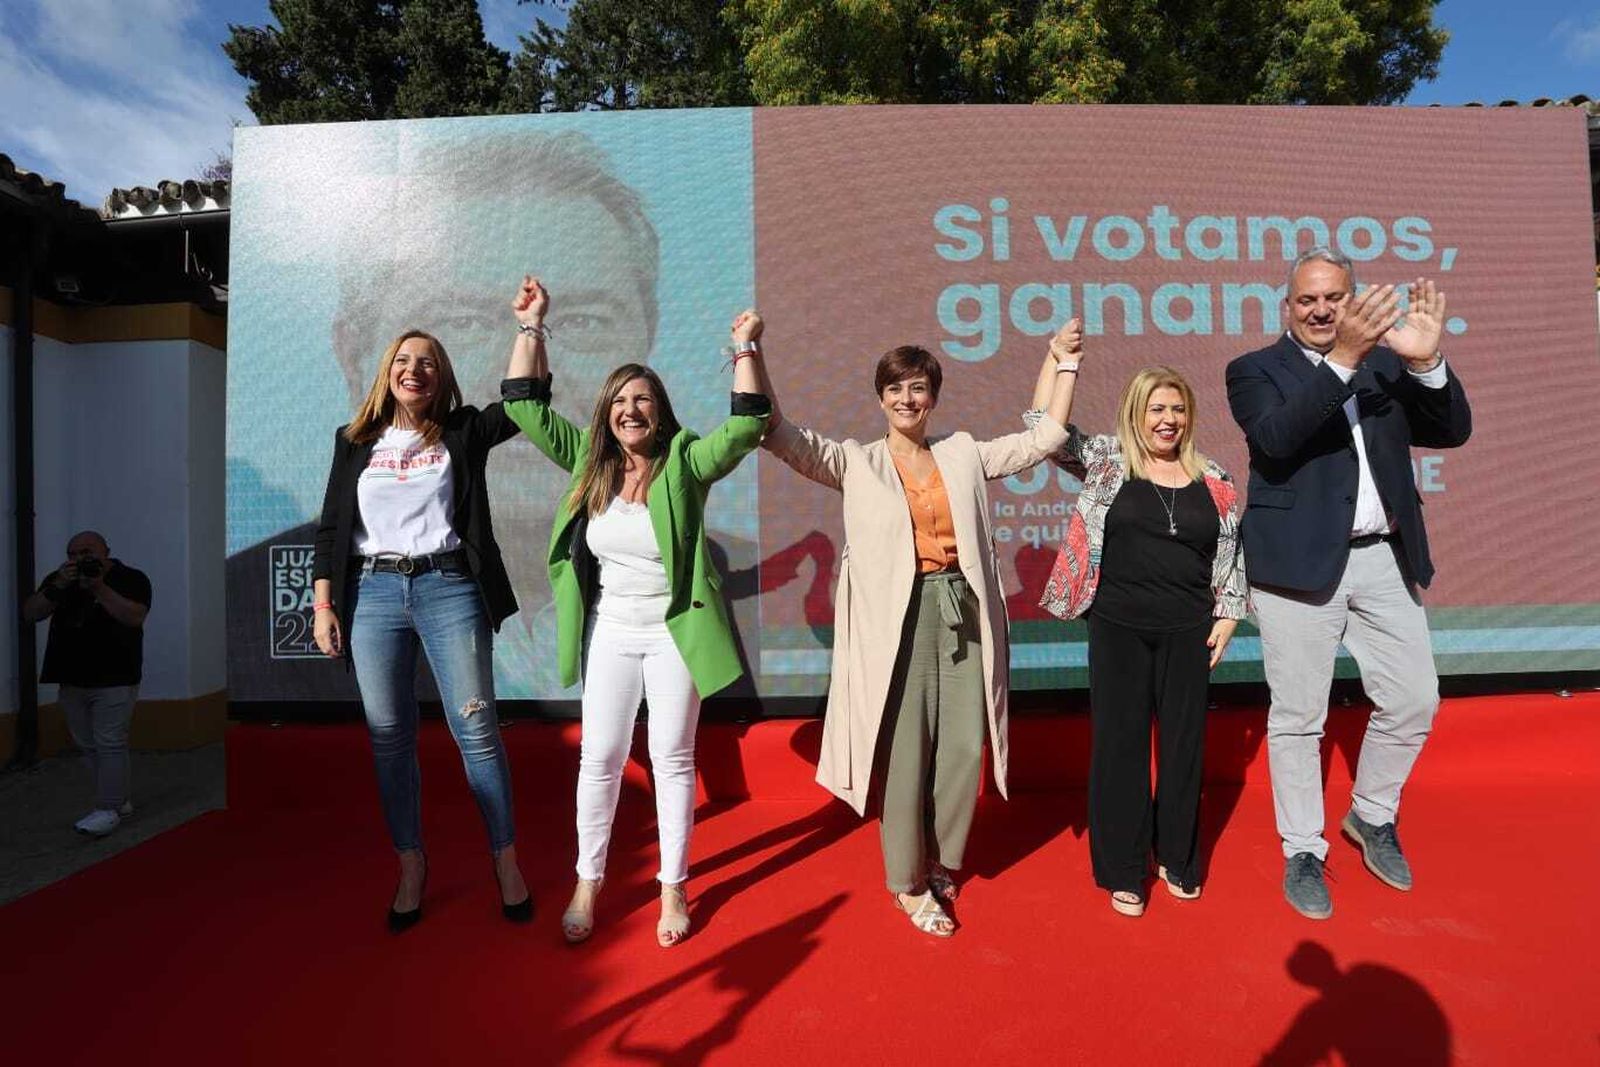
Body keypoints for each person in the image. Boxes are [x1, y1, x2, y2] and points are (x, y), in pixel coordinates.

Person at [226, 128, 685, 702]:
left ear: (647, 340)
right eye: (462, 323)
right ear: (355, 353)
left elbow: (523, 404)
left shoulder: (739, 580)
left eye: (587, 322)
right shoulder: (242, 598)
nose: (513, 360)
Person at [760, 319, 1082, 937]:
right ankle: (906, 883)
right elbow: (779, 434)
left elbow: (1042, 438)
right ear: (879, 398)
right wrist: (753, 351)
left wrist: (1063, 362)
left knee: (963, 745)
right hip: (897, 619)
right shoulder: (856, 461)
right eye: (896, 389)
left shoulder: (960, 452)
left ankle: (942, 860)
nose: (908, 400)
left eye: (919, 389)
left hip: (961, 609)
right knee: (907, 753)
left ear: (933, 397)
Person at [500, 277, 771, 947]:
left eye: (642, 398)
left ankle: (673, 886)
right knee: (600, 756)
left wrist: (744, 349)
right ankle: (588, 878)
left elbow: (748, 425)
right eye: (620, 399)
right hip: (612, 631)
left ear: (660, 409)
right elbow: (523, 405)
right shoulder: (587, 461)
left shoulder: (685, 459)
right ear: (605, 412)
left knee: (673, 757)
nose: (631, 408)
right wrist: (532, 326)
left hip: (673, 630)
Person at [1226, 248, 1471, 920]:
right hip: (1297, 565)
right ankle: (1303, 848)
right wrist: (1343, 362)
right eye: (1308, 299)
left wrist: (1423, 361)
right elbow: (1277, 438)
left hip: (1384, 558)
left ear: (1353, 297)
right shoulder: (1254, 370)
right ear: (1288, 305)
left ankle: (1371, 814)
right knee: (1300, 717)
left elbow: (1453, 430)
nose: (1322, 309)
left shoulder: (1387, 364)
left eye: (1334, 296)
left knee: (1416, 698)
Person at [310, 301, 531, 932]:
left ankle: (506, 860)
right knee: (389, 740)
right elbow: (332, 529)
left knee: (478, 733)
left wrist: (528, 327)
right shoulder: (354, 441)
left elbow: (522, 400)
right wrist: (324, 604)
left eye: (428, 362)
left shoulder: (462, 431)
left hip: (449, 588)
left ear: (443, 377)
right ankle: (410, 864)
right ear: (386, 373)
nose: (415, 370)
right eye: (404, 360)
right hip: (373, 597)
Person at [1028, 356, 1247, 916]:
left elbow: (1228, 554)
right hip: (1118, 627)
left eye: (1177, 408)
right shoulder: (1107, 461)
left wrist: (1228, 615)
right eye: (1157, 408)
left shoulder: (1215, 479)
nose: (1168, 419)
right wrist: (1063, 363)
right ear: (1136, 413)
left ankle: (1176, 856)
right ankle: (1124, 867)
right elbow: (1042, 429)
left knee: (1182, 750)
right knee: (1120, 749)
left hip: (1189, 630)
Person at [22, 532, 152, 836]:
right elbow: (31, 613)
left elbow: (134, 617)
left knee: (109, 741)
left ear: (106, 551)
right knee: (90, 745)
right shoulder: (60, 579)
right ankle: (119, 801)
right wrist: (58, 586)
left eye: (87, 551)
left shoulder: (131, 577)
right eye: (73, 553)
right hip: (70, 677)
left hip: (116, 676)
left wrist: (99, 588)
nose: (80, 558)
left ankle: (107, 809)